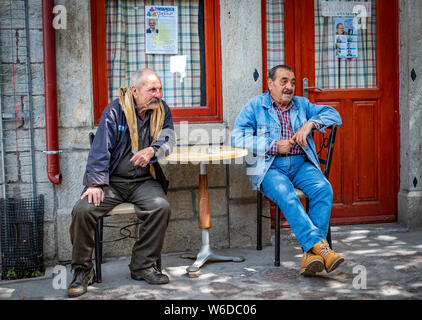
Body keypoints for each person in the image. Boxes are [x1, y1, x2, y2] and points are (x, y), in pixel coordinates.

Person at [67, 68, 175, 298]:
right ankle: (82, 271)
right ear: (135, 91)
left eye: (160, 88)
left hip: (143, 180)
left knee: (161, 206)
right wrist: (95, 184)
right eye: (152, 89)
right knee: (82, 210)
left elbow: (169, 139)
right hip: (111, 183)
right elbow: (100, 148)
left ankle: (142, 265)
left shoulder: (162, 110)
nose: (158, 94)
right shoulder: (115, 111)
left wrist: (153, 150)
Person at [232, 65, 343, 277]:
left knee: (323, 189)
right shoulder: (256, 106)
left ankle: (310, 255)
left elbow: (334, 114)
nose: (290, 87)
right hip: (270, 166)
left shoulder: (302, 105)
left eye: (292, 82)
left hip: (301, 164)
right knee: (286, 193)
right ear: (270, 83)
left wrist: (310, 124)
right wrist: (274, 145)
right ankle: (321, 248)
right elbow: (237, 137)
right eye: (284, 81)